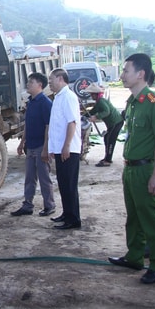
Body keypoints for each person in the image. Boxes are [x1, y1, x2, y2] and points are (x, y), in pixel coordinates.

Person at [108, 53, 155, 285]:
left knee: (151, 218)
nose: (122, 75)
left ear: (140, 74)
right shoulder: (132, 103)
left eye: (126, 71)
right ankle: (134, 257)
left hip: (145, 170)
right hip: (130, 169)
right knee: (133, 217)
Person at [11, 73, 55, 217]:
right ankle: (27, 205)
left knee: (44, 178)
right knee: (29, 178)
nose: (28, 84)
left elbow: (49, 127)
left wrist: (46, 148)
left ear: (40, 85)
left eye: (31, 82)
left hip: (41, 146)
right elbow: (28, 125)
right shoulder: (31, 102)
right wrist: (22, 142)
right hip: (30, 146)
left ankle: (49, 205)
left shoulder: (45, 103)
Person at [45, 68, 82, 230]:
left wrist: (66, 146)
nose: (50, 83)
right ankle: (67, 213)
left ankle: (73, 219)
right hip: (60, 149)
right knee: (63, 184)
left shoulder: (68, 97)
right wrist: (54, 148)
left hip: (69, 150)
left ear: (60, 79)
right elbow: (56, 127)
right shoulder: (58, 98)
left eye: (51, 79)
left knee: (69, 185)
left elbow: (71, 123)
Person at [84, 83, 124, 167]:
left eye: (92, 94)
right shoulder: (99, 102)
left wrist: (96, 116)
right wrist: (83, 116)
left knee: (110, 140)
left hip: (116, 122)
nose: (91, 96)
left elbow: (107, 111)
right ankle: (107, 157)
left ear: (96, 94)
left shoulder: (101, 101)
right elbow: (92, 111)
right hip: (112, 123)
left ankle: (108, 160)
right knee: (106, 138)